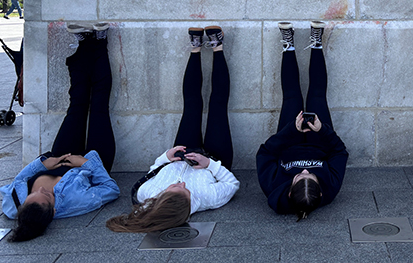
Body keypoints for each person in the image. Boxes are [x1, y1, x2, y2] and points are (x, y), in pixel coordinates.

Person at [107, 26, 240, 233]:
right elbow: (232, 184)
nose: (182, 185)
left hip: (182, 153)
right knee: (218, 106)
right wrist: (211, 165)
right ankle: (217, 46)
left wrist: (166, 158)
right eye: (185, 192)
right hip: (214, 158)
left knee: (192, 105)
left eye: (174, 188)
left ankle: (195, 48)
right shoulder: (208, 198)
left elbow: (153, 172)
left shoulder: (146, 195)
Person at [0, 22, 118, 241]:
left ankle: (84, 45)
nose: (44, 192)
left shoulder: (14, 204)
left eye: (35, 194)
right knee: (99, 105)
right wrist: (84, 163)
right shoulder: (77, 203)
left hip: (59, 158)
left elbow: (18, 180)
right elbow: (111, 189)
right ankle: (100, 42)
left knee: (77, 105)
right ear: (54, 212)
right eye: (47, 198)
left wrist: (43, 165)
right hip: (92, 162)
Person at [257, 21, 349, 220]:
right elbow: (340, 153)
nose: (306, 170)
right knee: (317, 96)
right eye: (312, 175)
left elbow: (264, 154)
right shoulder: (330, 189)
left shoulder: (273, 187)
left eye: (299, 176)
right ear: (321, 191)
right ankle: (316, 42)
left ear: (289, 191)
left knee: (292, 97)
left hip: (289, 139)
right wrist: (322, 130)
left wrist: (291, 131)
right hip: (319, 140)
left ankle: (288, 45)